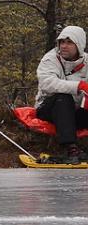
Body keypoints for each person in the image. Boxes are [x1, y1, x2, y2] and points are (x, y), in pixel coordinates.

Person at [34, 26, 88, 162]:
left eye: (69, 42)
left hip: (76, 111)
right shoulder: (50, 59)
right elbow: (47, 84)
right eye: (62, 42)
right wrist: (78, 86)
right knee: (63, 98)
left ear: (79, 45)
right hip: (50, 109)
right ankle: (71, 149)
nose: (64, 46)